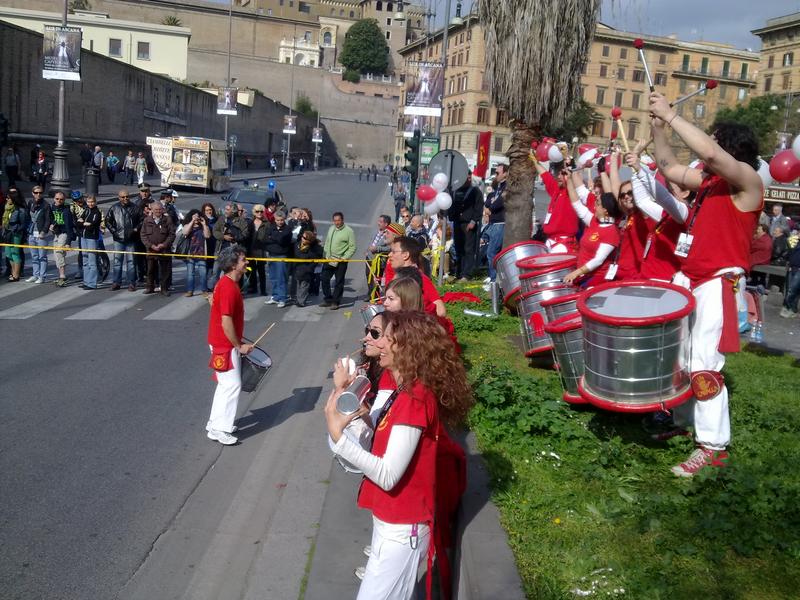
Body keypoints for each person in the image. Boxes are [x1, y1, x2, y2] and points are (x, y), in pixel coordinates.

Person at [650, 92, 763, 477]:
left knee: (705, 363)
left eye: (714, 138)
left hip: (719, 281)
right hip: (691, 277)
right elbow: (668, 167)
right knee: (680, 356)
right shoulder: (710, 183)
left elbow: (712, 155)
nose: (705, 151)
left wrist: (672, 115)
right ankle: (684, 421)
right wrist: (657, 126)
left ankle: (713, 447)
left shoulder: (748, 182)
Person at [324, 310, 473, 600]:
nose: (371, 341)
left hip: (403, 529)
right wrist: (346, 399)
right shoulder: (404, 390)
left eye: (380, 336)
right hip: (392, 524)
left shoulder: (415, 399)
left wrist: (338, 437)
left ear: (405, 346)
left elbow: (389, 475)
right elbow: (381, 439)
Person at [206, 245, 253, 445]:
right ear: (234, 264)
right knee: (232, 385)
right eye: (243, 260)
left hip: (221, 343)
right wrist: (238, 345)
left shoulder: (227, 284)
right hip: (224, 345)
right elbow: (226, 321)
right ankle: (221, 428)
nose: (246, 262)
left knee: (225, 385)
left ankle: (214, 424)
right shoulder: (227, 287)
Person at [563, 174, 621, 287]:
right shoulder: (594, 221)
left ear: (605, 210)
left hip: (596, 280)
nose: (594, 206)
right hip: (584, 276)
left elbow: (598, 260)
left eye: (598, 204)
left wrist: (576, 273)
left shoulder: (612, 231)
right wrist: (569, 181)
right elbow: (577, 205)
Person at [386, 236, 447, 317]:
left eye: (393, 252)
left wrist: (416, 321)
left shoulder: (421, 278)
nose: (389, 255)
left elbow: (441, 311)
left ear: (405, 255)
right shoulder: (397, 274)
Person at [532, 155, 579, 253]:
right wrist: (535, 161)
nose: (559, 176)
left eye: (563, 174)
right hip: (551, 241)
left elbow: (576, 179)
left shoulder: (572, 193)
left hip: (563, 244)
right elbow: (546, 176)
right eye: (559, 174)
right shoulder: (557, 190)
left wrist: (571, 167)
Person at [105, 188, 141, 291]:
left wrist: (135, 229)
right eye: (123, 197)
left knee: (131, 262)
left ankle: (132, 283)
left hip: (131, 238)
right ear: (119, 197)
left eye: (127, 196)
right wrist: (114, 232)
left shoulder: (135, 207)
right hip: (118, 239)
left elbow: (142, 220)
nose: (125, 198)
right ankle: (116, 282)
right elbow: (107, 221)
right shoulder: (114, 208)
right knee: (117, 261)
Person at [449, 177, 484, 280]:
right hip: (457, 223)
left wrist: (473, 221)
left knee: (468, 249)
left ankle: (467, 274)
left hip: (468, 224)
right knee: (459, 249)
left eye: (469, 177)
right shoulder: (455, 190)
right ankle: (459, 272)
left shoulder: (475, 191)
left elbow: (479, 207)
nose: (467, 179)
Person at [321, 211, 357, 310]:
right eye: (335, 220)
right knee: (324, 278)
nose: (337, 223)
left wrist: (344, 258)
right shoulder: (331, 228)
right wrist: (326, 254)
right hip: (329, 259)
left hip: (341, 261)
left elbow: (352, 247)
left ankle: (335, 301)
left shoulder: (349, 231)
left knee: (339, 281)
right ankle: (328, 298)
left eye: (339, 220)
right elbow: (328, 242)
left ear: (342, 220)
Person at [140, 201, 176, 296]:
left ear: (162, 210)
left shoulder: (168, 220)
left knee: (165, 270)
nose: (158, 211)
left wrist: (164, 244)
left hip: (164, 250)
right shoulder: (147, 220)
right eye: (156, 209)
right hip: (151, 250)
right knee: (150, 270)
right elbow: (143, 235)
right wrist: (151, 246)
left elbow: (172, 235)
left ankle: (164, 288)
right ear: (152, 210)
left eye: (160, 209)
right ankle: (150, 287)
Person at [263, 210, 293, 308]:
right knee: (273, 277)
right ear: (275, 220)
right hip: (271, 255)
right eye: (277, 220)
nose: (279, 222)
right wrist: (275, 237)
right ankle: (275, 296)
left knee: (281, 278)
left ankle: (282, 298)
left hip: (282, 256)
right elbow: (265, 239)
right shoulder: (271, 227)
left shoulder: (288, 229)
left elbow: (282, 240)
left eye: (281, 220)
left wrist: (273, 236)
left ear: (284, 220)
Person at [484, 164, 507, 285]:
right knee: (491, 250)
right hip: (493, 223)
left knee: (491, 252)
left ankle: (494, 280)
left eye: (498, 173)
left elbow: (497, 204)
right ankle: (493, 277)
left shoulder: (507, 187)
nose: (496, 175)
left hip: (500, 223)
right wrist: (491, 204)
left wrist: (492, 205)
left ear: (505, 173)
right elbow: (489, 201)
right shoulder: (498, 188)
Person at [181, 209, 212, 297]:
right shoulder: (187, 225)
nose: (196, 218)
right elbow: (185, 232)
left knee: (203, 273)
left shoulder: (203, 227)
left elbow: (207, 236)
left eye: (198, 216)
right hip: (190, 254)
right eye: (194, 216)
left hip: (201, 253)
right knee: (190, 273)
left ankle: (204, 290)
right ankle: (190, 290)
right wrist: (192, 221)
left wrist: (204, 224)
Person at [26, 186, 53, 284]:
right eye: (36, 192)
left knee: (42, 256)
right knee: (34, 256)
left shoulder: (46, 205)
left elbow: (48, 220)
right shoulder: (30, 202)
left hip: (41, 233)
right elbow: (27, 216)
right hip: (31, 233)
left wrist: (43, 232)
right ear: (33, 193)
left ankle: (42, 276)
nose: (38, 194)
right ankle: (35, 274)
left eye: (40, 192)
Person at [76, 194, 102, 290]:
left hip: (91, 238)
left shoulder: (97, 213)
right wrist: (84, 223)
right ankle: (86, 281)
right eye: (89, 202)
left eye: (92, 202)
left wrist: (83, 223)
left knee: (92, 261)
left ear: (95, 202)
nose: (90, 204)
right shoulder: (86, 210)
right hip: (83, 237)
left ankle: (92, 283)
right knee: (85, 260)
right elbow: (77, 223)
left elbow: (93, 226)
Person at [49, 190, 73, 287]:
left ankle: (62, 276)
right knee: (56, 254)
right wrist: (52, 225)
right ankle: (61, 275)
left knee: (59, 252)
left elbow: (69, 227)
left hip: (64, 233)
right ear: (54, 199)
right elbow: (52, 218)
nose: (59, 201)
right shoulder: (53, 207)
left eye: (61, 199)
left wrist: (68, 242)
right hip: (57, 233)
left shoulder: (66, 210)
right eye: (57, 199)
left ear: (64, 200)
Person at [293, 230, 323, 307]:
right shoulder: (298, 244)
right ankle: (298, 299)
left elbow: (313, 257)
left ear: (309, 240)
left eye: (304, 238)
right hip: (298, 268)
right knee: (299, 285)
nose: (302, 238)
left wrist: (309, 268)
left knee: (304, 286)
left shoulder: (314, 249)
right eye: (302, 237)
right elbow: (297, 254)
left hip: (307, 269)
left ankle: (301, 302)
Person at [2, 189, 27, 281]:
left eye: (8, 198)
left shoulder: (20, 210)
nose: (6, 199)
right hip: (7, 233)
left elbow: (23, 223)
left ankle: (16, 275)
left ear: (13, 199)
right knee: (8, 253)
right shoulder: (7, 207)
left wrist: (15, 230)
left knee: (15, 253)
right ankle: (13, 272)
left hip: (16, 234)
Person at [249, 204, 269, 297]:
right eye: (257, 211)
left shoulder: (267, 223)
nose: (259, 213)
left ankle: (263, 290)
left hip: (261, 250)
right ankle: (253, 288)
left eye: (261, 211)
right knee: (251, 270)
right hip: (251, 249)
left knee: (261, 271)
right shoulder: (250, 222)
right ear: (254, 212)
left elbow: (269, 235)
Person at [780, 228, 800, 318]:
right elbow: (789, 248)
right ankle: (792, 309)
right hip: (792, 267)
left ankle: (788, 307)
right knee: (790, 288)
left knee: (793, 289)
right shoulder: (795, 241)